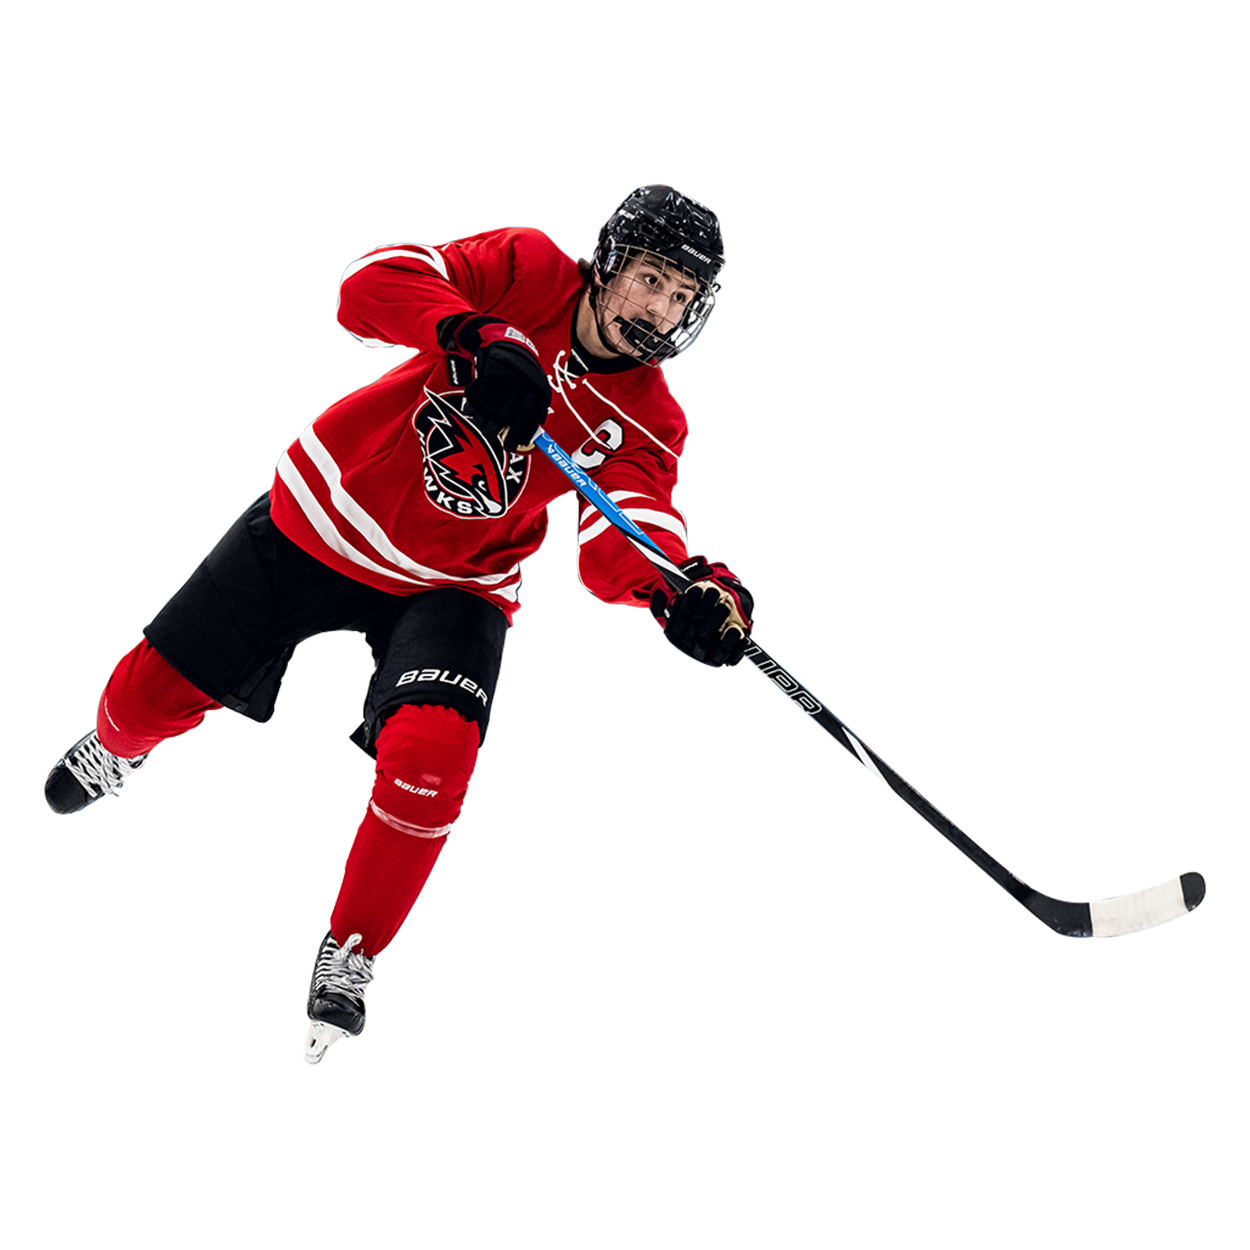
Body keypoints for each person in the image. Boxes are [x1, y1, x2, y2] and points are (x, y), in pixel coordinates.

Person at [43, 185, 755, 1064]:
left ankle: (351, 953)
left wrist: (686, 589)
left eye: (682, 296)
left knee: (433, 760)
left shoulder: (648, 417)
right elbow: (369, 287)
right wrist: (478, 333)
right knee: (143, 701)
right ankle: (117, 747)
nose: (660, 310)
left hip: (456, 581)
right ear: (608, 264)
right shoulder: (527, 268)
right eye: (650, 279)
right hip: (324, 519)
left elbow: (625, 539)